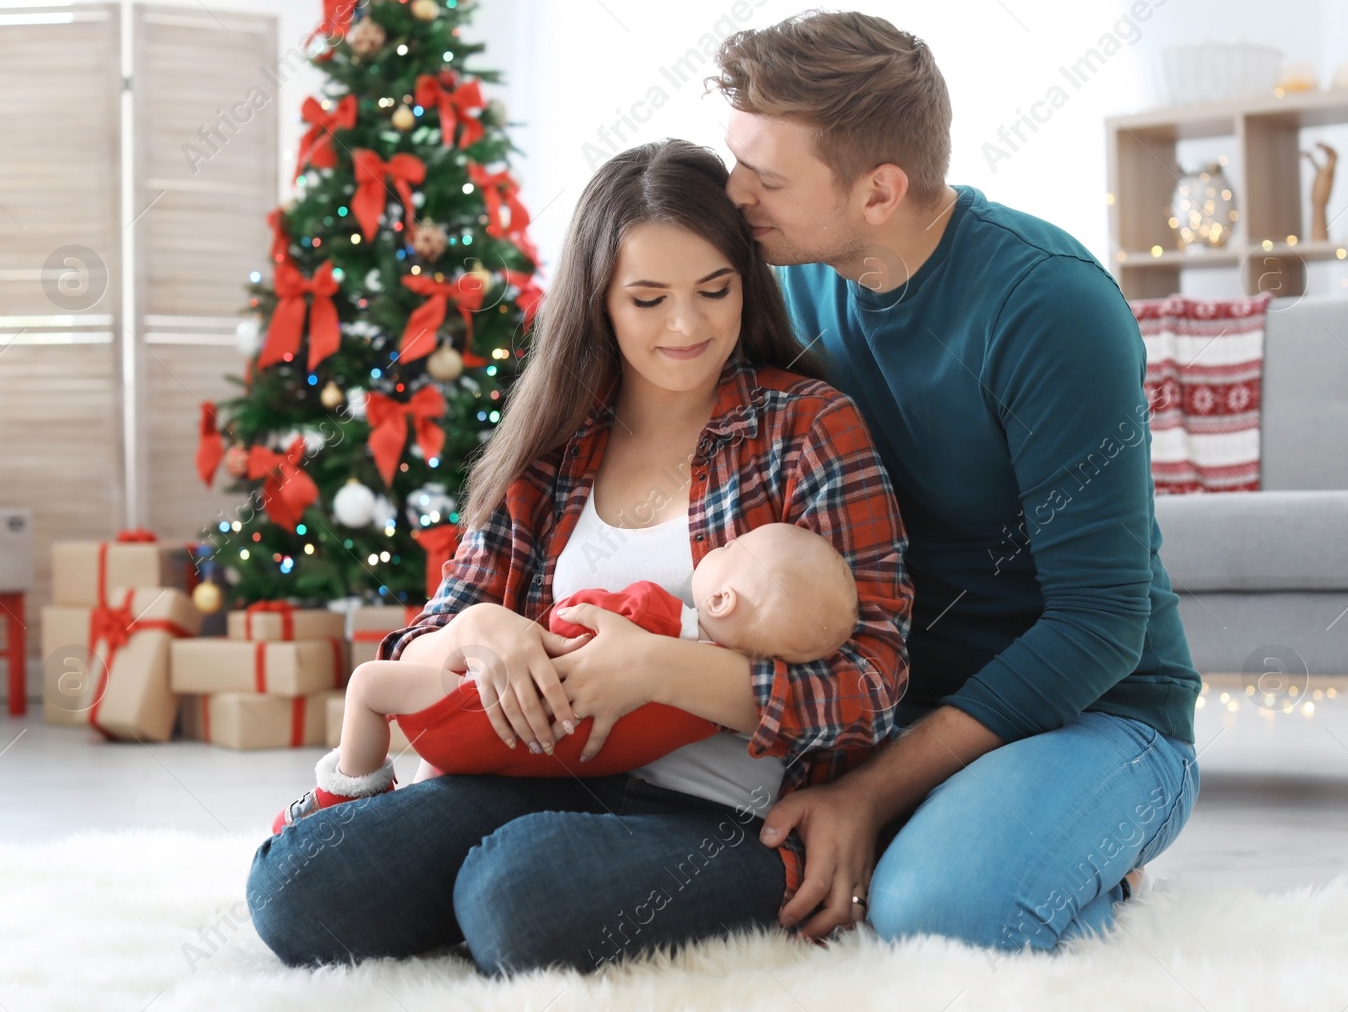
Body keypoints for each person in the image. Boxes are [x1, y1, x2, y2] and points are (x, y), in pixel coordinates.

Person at [245, 138, 912, 976]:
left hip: (721, 813)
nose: (687, 325)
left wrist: (662, 670)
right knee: (298, 885)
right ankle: (491, 867)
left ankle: (713, 879)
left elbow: (876, 680)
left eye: (716, 290)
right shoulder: (557, 441)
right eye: (648, 298)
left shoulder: (806, 426)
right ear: (597, 301)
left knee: (515, 893)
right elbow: (430, 633)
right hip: (534, 776)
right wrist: (478, 631)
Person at [709, 10, 1203, 951]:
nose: (732, 195)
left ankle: (1097, 849)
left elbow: (1100, 623)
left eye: (765, 177)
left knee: (940, 913)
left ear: (880, 191)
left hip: (1099, 714)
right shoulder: (787, 278)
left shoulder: (1049, 304)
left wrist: (869, 790)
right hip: (895, 703)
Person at [271, 522, 858, 830]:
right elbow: (441, 622)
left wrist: (547, 625)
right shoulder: (712, 715)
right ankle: (388, 812)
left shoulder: (654, 613)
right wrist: (471, 623)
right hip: (526, 745)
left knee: (368, 687)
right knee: (307, 881)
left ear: (723, 599)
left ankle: (338, 795)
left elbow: (574, 614)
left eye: (734, 545)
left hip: (498, 719)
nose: (724, 541)